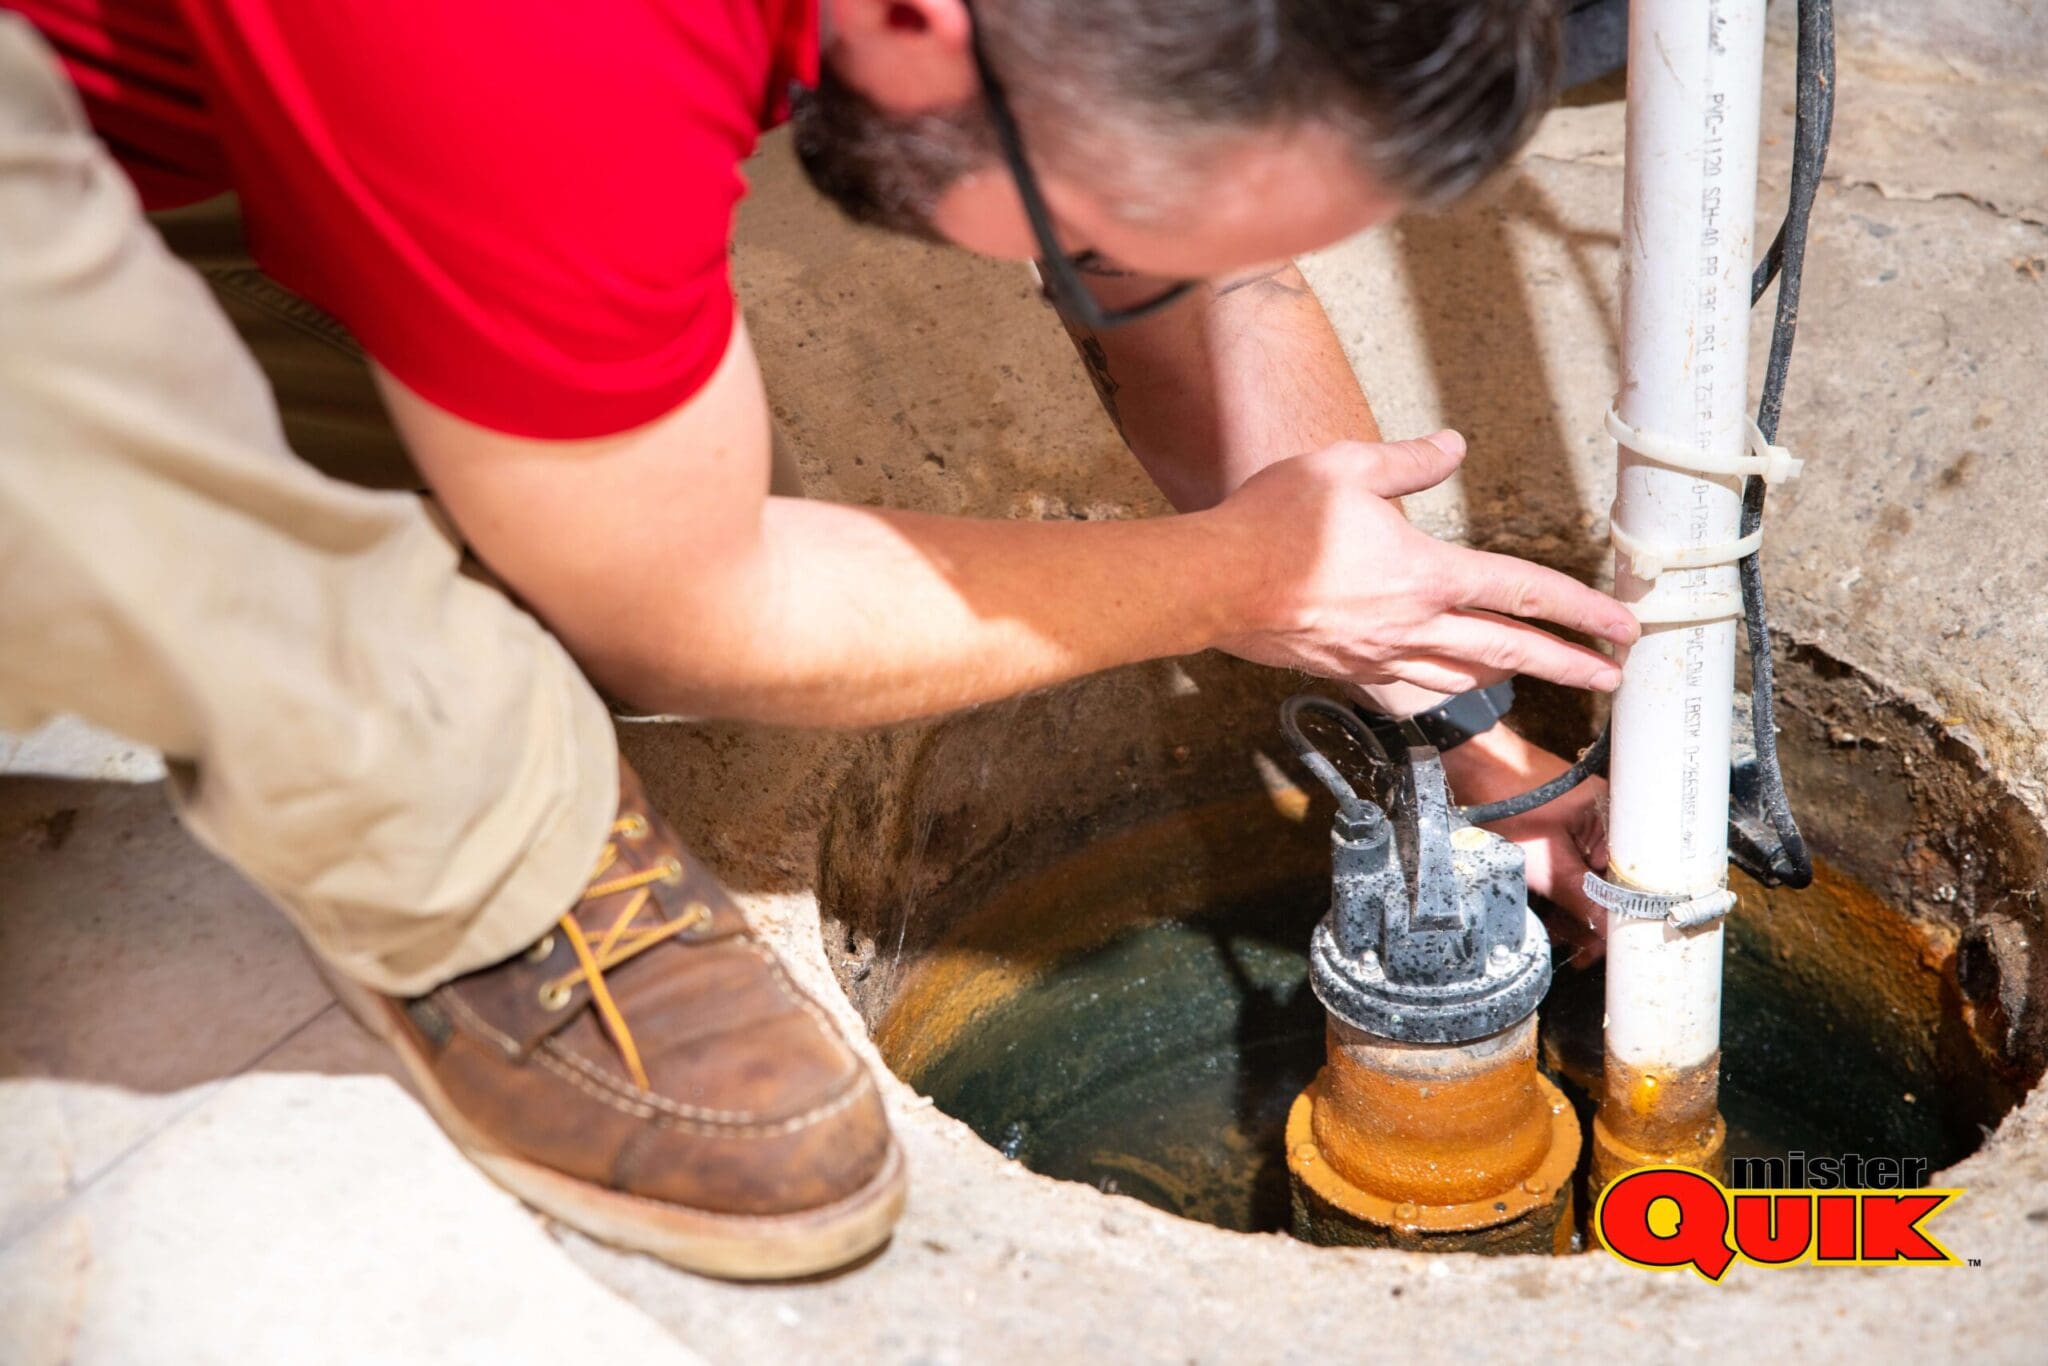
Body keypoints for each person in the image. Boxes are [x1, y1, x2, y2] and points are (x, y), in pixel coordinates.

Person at [0, 0, 1631, 1278]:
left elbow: (1182, 265)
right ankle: (474, 872)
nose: (1138, 250)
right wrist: (1227, 579)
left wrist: (1465, 735)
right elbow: (683, 606)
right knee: (402, 592)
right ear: (928, 21)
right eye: (1130, 204)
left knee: (607, 438)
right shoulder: (546, 39)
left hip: (211, 77)